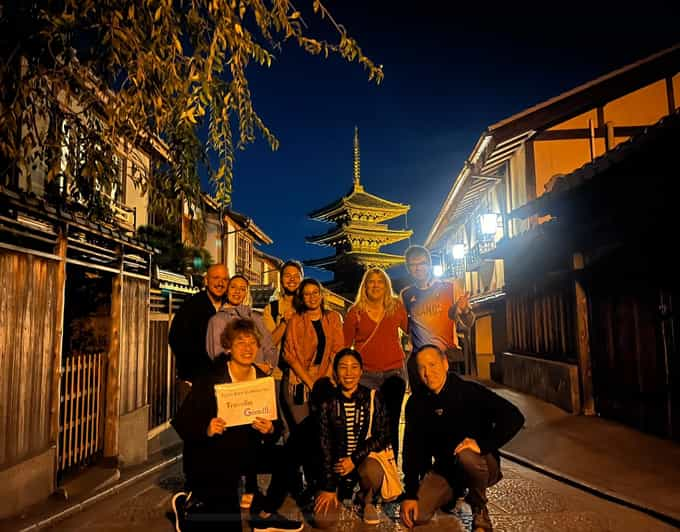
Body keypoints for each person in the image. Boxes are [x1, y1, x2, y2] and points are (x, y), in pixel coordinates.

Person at [171, 318, 303, 532]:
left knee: (289, 457)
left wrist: (270, 429)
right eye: (240, 342)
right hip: (215, 454)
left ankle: (264, 514)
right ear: (228, 346)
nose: (247, 348)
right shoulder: (211, 377)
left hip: (248, 451)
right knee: (228, 525)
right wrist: (206, 428)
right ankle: (189, 511)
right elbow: (183, 421)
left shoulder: (262, 380)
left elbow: (276, 425)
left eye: (252, 342)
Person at [400, 345, 525, 532]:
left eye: (433, 365)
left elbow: (515, 417)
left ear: (445, 364)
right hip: (446, 469)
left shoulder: (469, 391)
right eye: (422, 368)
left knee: (466, 456)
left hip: (480, 462)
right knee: (418, 515)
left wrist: (483, 445)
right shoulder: (417, 402)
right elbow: (412, 449)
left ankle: (479, 510)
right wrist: (410, 493)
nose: (428, 373)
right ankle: (453, 493)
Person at [314, 349, 391, 528]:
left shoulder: (372, 397)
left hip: (363, 462)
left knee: (372, 471)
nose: (349, 373)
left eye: (354, 367)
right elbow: (324, 445)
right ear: (335, 372)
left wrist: (354, 459)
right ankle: (340, 494)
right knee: (323, 521)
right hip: (336, 468)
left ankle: (366, 499)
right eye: (343, 367)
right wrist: (328, 487)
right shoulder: (327, 402)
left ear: (361, 371)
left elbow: (383, 435)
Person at [282, 278, 344, 497]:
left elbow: (337, 350)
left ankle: (324, 481)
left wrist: (323, 381)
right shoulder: (295, 320)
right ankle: (308, 483)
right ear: (301, 297)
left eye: (314, 292)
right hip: (299, 381)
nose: (311, 297)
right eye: (306, 293)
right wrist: (310, 382)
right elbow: (289, 355)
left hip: (325, 379)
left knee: (324, 432)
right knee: (304, 434)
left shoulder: (333, 318)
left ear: (321, 294)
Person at [343, 267, 408, 461]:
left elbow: (413, 329)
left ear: (387, 286)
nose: (376, 285)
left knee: (391, 422)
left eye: (380, 282)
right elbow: (344, 347)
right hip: (366, 375)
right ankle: (366, 470)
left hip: (394, 372)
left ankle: (390, 469)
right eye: (371, 281)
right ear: (365, 285)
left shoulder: (396, 307)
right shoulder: (355, 312)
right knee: (365, 424)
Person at [401, 245, 475, 392]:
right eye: (412, 265)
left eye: (421, 263)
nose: (417, 268)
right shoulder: (406, 294)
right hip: (419, 361)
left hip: (447, 358)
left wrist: (465, 309)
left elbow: (469, 322)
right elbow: (404, 326)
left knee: (451, 407)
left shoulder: (450, 287)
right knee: (423, 408)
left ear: (429, 264)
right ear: (408, 268)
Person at [169, 264, 228, 403]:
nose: (220, 283)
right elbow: (176, 340)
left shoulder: (230, 306)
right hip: (195, 380)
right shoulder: (191, 306)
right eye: (216, 278)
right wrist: (190, 375)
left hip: (224, 381)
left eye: (225, 279)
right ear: (206, 281)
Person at [206, 274, 277, 372]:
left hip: (261, 377)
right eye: (233, 287)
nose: (237, 291)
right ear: (227, 290)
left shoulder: (256, 318)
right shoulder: (217, 320)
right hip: (234, 380)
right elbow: (218, 355)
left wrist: (268, 365)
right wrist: (249, 369)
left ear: (246, 293)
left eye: (242, 289)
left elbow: (269, 346)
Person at [262, 260, 304, 353]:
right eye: (287, 276)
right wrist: (284, 323)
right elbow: (268, 345)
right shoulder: (271, 309)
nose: (292, 279)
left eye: (296, 276)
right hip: (278, 366)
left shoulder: (308, 306)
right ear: (281, 279)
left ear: (302, 280)